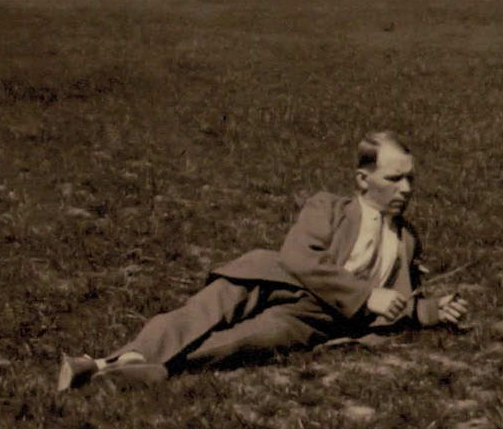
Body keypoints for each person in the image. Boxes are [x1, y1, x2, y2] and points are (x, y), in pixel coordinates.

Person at [57, 132, 468, 389]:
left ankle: (127, 374)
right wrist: (365, 295)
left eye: (411, 178)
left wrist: (431, 309)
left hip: (315, 318)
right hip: (271, 276)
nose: (407, 188)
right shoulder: (328, 206)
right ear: (363, 179)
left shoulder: (408, 238)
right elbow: (298, 258)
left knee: (242, 344)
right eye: (394, 179)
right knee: (201, 312)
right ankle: (117, 358)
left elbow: (398, 298)